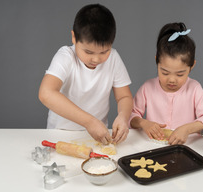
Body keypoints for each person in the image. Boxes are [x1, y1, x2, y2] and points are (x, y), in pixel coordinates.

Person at [39, 4, 133, 145]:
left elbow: (124, 96)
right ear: (74, 38)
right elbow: (46, 93)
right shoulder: (66, 56)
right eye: (88, 52)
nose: (96, 59)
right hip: (59, 134)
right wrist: (89, 121)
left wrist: (123, 117)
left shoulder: (113, 58)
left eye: (104, 52)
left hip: (97, 136)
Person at [129, 22, 203, 145]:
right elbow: (130, 115)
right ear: (157, 61)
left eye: (180, 74)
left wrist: (187, 129)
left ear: (192, 66)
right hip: (153, 146)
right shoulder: (147, 88)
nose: (171, 80)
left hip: (187, 147)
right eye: (165, 72)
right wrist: (144, 123)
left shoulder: (194, 88)